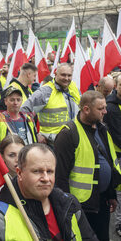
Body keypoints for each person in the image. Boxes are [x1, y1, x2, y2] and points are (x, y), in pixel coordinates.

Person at [0, 143, 98, 241]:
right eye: (37, 171)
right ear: (19, 173)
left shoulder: (70, 204)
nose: (45, 178)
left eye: (50, 171)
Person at [54, 90, 121, 241]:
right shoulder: (68, 134)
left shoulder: (102, 128)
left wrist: (111, 194)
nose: (105, 111)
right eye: (100, 108)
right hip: (81, 206)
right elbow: (60, 176)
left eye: (105, 107)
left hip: (101, 201)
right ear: (86, 109)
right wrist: (66, 206)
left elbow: (109, 162)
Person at [21, 63, 80, 146]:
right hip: (52, 145)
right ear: (55, 74)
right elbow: (23, 112)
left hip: (73, 142)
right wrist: (35, 134)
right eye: (63, 75)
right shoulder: (45, 91)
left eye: (69, 75)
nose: (66, 78)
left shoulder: (74, 87)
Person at [104, 74, 121, 237]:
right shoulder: (111, 107)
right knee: (119, 192)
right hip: (117, 156)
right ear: (116, 86)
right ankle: (118, 225)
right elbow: (117, 135)